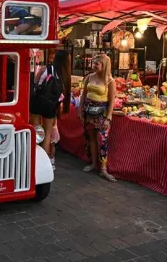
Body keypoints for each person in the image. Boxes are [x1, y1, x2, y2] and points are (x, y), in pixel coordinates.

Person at [78, 54, 116, 182]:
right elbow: (83, 95)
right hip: (89, 113)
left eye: (96, 63)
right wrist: (80, 110)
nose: (93, 65)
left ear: (104, 66)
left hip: (101, 114)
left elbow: (112, 101)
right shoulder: (89, 77)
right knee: (91, 139)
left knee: (102, 140)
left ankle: (103, 169)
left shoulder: (110, 81)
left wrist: (108, 117)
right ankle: (94, 164)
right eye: (93, 63)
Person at [31, 50, 70, 169]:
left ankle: (33, 156)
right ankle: (42, 161)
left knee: (36, 129)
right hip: (51, 105)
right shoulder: (64, 74)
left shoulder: (44, 69)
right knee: (47, 133)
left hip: (37, 101)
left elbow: (35, 84)